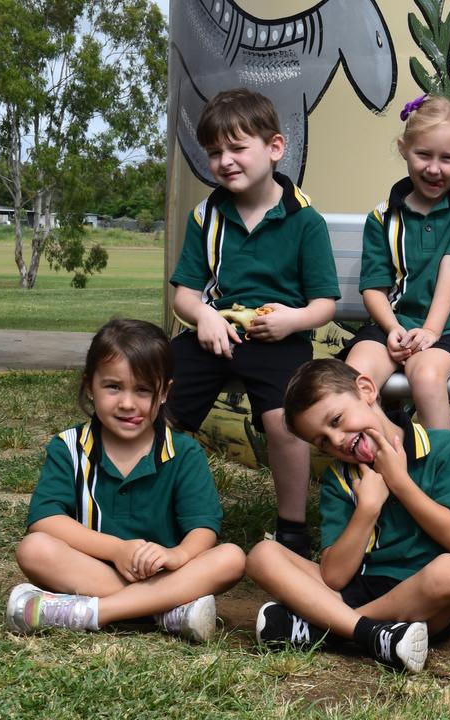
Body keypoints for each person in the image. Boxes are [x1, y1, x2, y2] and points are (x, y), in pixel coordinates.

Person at [168, 88, 340, 558]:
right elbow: (185, 291)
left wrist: (293, 321)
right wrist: (202, 314)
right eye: (214, 152)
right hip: (217, 332)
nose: (225, 160)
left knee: (284, 419)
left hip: (278, 337)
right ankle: (154, 504)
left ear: (275, 147)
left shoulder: (304, 220)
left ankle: (292, 528)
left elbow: (324, 303)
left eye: (237, 148)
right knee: (158, 398)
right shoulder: (207, 215)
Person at [7, 319, 245, 642]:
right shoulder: (69, 448)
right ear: (90, 385)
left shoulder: (184, 453)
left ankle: (91, 613)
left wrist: (177, 556)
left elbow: (203, 529)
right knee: (34, 549)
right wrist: (118, 550)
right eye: (113, 387)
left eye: (143, 389)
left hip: (167, 574)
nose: (128, 403)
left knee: (231, 558)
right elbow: (45, 520)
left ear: (164, 393)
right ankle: (167, 611)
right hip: (95, 571)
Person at [245, 358, 450, 674]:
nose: (337, 439)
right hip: (355, 589)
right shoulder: (339, 478)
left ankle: (326, 630)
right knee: (263, 555)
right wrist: (368, 508)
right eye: (323, 441)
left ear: (366, 390)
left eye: (337, 419)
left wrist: (398, 481)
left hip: (421, 601)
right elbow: (334, 577)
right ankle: (372, 635)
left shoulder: (445, 447)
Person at [340, 95, 450, 430]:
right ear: (404, 148)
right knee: (354, 378)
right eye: (423, 154)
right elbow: (374, 290)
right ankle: (385, 456)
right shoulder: (383, 217)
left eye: (448, 158)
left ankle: (443, 475)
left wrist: (430, 331)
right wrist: (394, 328)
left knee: (424, 375)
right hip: (391, 326)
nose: (434, 168)